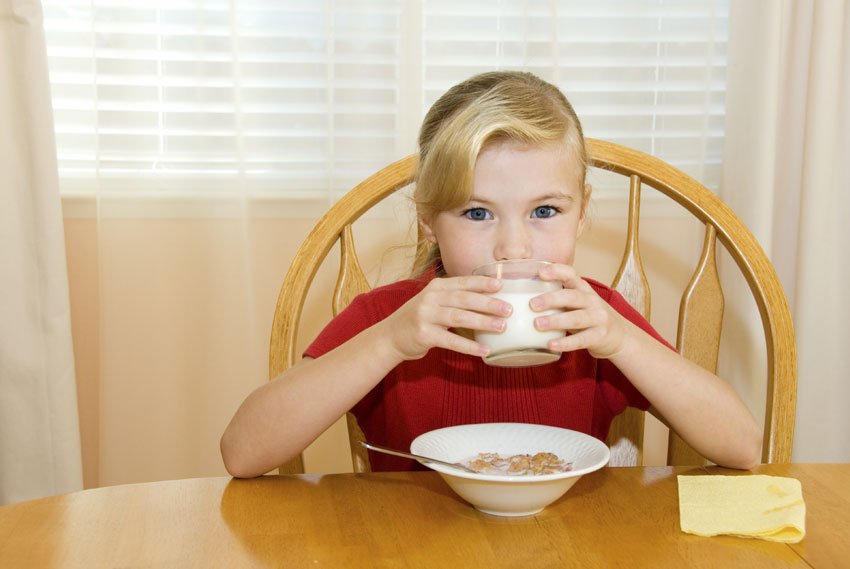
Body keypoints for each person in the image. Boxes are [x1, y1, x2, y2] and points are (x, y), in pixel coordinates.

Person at [220, 71, 762, 477]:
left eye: (545, 211)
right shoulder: (388, 319)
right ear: (428, 220)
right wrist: (388, 342)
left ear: (582, 211)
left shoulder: (593, 318)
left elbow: (741, 444)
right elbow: (243, 452)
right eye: (477, 213)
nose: (513, 245)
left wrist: (623, 343)